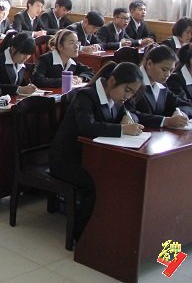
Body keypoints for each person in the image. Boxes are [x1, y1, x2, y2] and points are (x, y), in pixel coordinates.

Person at [49, 62, 159, 240]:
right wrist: (122, 129)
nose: (128, 96)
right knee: (98, 185)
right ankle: (82, 235)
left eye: (132, 93)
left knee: (121, 179)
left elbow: (129, 111)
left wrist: (127, 117)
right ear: (113, 81)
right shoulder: (86, 95)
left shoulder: (116, 98)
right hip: (67, 160)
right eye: (127, 90)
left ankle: (112, 228)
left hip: (91, 158)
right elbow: (87, 127)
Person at [129, 45, 192, 122]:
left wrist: (180, 113)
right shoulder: (132, 82)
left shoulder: (161, 85)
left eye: (171, 70)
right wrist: (164, 121)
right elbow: (130, 113)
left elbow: (185, 105)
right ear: (149, 64)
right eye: (164, 69)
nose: (168, 74)